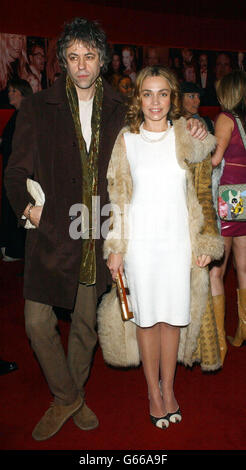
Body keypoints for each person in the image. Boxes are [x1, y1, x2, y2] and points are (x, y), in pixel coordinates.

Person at [4, 17, 126, 442]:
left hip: (95, 227)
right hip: (51, 230)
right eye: (73, 57)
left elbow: (156, 139)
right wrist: (31, 212)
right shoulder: (37, 107)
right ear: (63, 61)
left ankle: (67, 397)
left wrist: (196, 128)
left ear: (102, 60)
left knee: (86, 324)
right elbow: (15, 173)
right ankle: (68, 396)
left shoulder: (121, 109)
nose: (81, 65)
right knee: (38, 323)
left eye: (89, 56)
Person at [104, 66, 224, 429]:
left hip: (177, 243)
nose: (155, 102)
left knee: (172, 320)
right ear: (137, 98)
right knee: (146, 320)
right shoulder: (126, 140)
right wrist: (117, 246)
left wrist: (203, 241)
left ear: (172, 98)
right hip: (141, 246)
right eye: (147, 94)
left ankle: (168, 389)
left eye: (162, 94)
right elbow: (118, 196)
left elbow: (205, 192)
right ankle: (153, 394)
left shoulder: (186, 135)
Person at [209, 70, 246, 363]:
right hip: (245, 194)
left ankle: (218, 341)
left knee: (216, 271)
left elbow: (215, 159)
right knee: (243, 267)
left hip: (229, 195)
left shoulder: (226, 118)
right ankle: (243, 330)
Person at [0, 78, 33, 261]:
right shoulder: (18, 114)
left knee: (18, 207)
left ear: (22, 92)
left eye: (13, 91)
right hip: (12, 171)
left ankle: (16, 250)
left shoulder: (26, 115)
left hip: (21, 173)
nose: (9, 94)